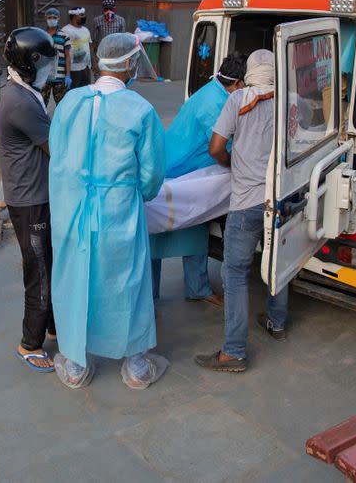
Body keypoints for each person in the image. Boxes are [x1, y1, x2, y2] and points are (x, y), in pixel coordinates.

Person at [49, 33, 168, 389]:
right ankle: (135, 365)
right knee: (125, 282)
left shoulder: (70, 102)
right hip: (118, 210)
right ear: (130, 65)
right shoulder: (141, 110)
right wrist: (138, 195)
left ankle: (75, 362)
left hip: (72, 208)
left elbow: (57, 153)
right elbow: (151, 173)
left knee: (75, 279)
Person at [195, 49, 289, 373]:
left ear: (249, 73)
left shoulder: (238, 100)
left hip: (247, 202)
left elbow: (215, 148)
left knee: (234, 273)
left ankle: (233, 352)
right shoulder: (288, 100)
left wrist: (234, 164)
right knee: (278, 261)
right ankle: (276, 321)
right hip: (280, 200)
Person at [150, 53, 248, 306]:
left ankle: (198, 288)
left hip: (186, 171)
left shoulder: (214, 89)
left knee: (195, 229)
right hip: (178, 174)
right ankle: (150, 296)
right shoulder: (215, 104)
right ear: (238, 84)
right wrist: (237, 167)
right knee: (156, 234)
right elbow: (218, 149)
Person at [0, 26, 58, 373]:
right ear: (30, 63)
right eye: (46, 64)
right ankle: (29, 344)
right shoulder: (20, 102)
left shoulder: (24, 92)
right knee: (39, 271)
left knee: (47, 262)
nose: (50, 71)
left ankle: (52, 326)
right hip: (30, 199)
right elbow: (55, 148)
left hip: (34, 194)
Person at [40, 7, 72, 107]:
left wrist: (68, 75)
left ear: (58, 18)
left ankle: (61, 122)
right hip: (45, 77)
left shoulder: (64, 36)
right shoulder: (42, 35)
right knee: (41, 104)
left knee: (62, 105)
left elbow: (67, 56)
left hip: (60, 77)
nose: (52, 19)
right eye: (49, 17)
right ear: (46, 18)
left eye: (54, 17)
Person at [61, 7, 93, 88]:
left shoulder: (86, 30)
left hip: (86, 68)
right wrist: (67, 74)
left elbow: (90, 47)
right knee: (73, 93)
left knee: (85, 92)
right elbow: (64, 53)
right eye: (81, 15)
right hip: (73, 70)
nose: (84, 17)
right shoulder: (65, 31)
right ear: (74, 16)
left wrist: (93, 63)